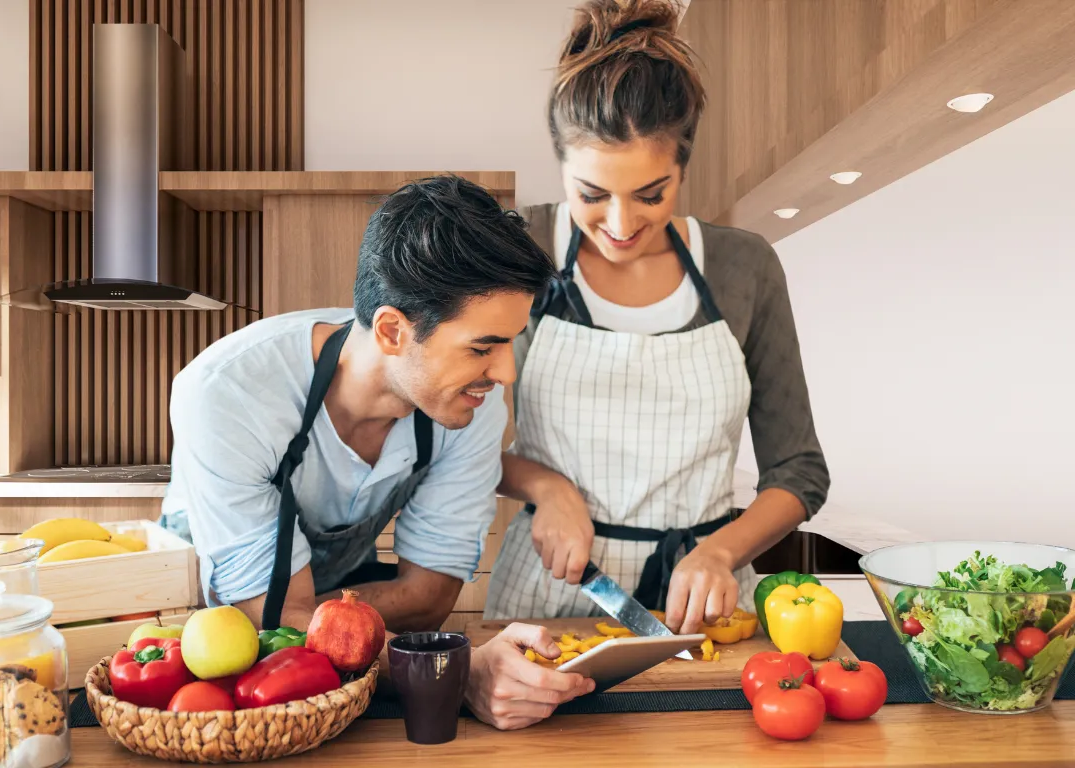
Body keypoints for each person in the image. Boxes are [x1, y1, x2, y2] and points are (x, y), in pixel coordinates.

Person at [160, 175, 594, 730]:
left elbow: (430, 597)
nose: (505, 373)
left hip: (341, 655)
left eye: (510, 342)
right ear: (392, 331)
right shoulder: (230, 392)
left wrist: (321, 616)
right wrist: (449, 668)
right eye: (483, 347)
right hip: (202, 648)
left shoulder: (470, 402)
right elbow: (269, 621)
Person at [485, 0, 831, 642]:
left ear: (683, 167)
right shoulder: (521, 248)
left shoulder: (742, 267)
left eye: (651, 194)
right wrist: (546, 485)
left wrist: (723, 550)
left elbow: (800, 471)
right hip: (549, 595)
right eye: (591, 195)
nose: (620, 225)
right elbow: (443, 431)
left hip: (706, 608)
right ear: (560, 164)